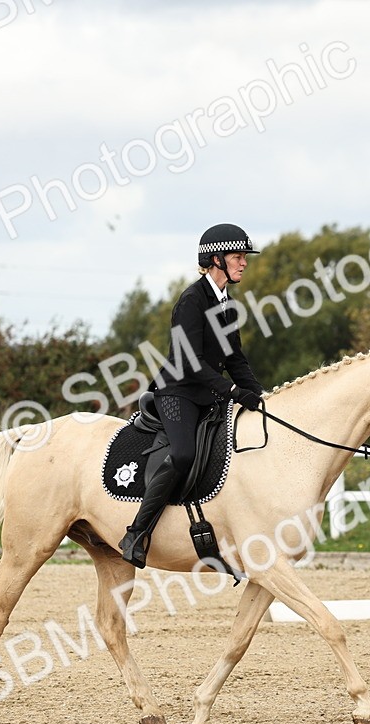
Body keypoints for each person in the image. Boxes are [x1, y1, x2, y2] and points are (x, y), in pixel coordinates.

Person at [119, 223, 266, 569]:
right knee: (184, 454)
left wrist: (260, 396)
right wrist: (232, 391)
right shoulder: (191, 301)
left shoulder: (227, 305)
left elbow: (235, 360)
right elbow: (191, 361)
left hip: (209, 394)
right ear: (217, 259)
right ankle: (136, 533)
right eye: (238, 256)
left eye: (244, 257)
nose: (244, 263)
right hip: (178, 392)